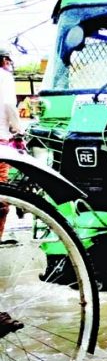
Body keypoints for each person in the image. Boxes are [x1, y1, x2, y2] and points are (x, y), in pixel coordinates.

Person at [0, 47, 23, 245]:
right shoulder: (4, 76)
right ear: (5, 60)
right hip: (0, 141)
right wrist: (19, 129)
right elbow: (8, 105)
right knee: (1, 199)